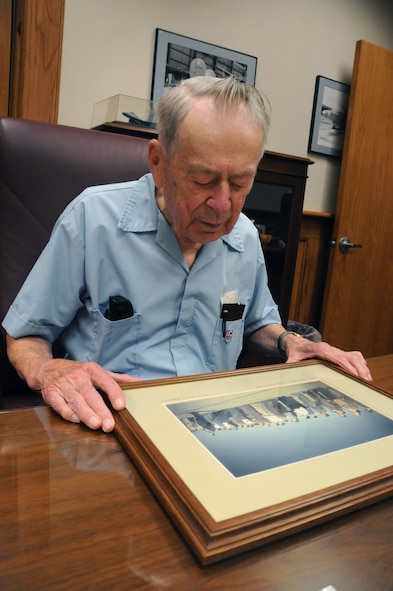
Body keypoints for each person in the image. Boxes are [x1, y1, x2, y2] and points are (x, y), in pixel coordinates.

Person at [2, 77, 372, 433]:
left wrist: (291, 342)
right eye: (203, 180)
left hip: (216, 423)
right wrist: (49, 370)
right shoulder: (91, 219)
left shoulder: (244, 236)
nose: (223, 204)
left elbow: (257, 322)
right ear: (158, 162)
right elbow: (26, 334)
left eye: (241, 183)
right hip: (111, 422)